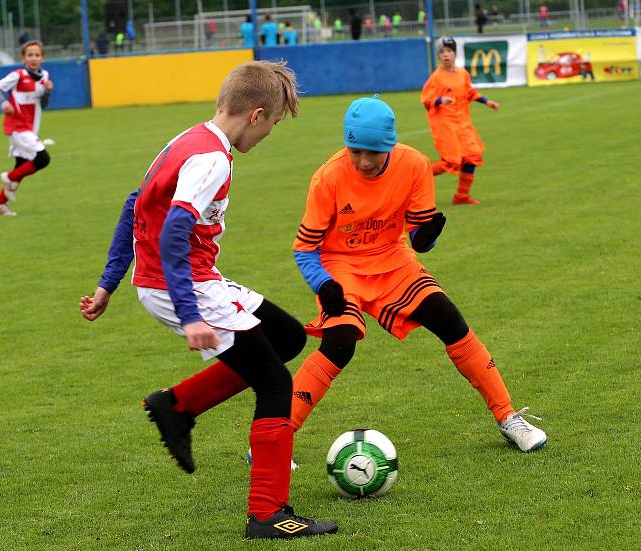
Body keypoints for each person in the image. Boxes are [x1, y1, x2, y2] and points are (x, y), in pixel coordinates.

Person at [78, 60, 338, 540]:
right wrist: (190, 312)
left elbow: (134, 204)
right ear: (257, 115)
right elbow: (174, 230)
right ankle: (268, 514)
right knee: (276, 384)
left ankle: (177, 407)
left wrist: (107, 285)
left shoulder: (188, 137)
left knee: (283, 335)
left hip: (185, 280)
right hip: (182, 286)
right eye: (275, 125)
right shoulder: (212, 159)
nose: (269, 135)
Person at [287, 95, 548, 454]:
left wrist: (425, 237)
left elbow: (417, 236)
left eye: (372, 152)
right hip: (339, 266)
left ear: (390, 146)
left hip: (392, 258)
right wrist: (323, 283)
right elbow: (304, 249)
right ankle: (275, 440)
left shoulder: (414, 166)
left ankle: (508, 417)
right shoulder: (328, 178)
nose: (363, 161)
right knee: (340, 343)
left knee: (449, 319)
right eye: (354, 150)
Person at [420, 36, 499, 205]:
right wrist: (441, 100)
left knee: (472, 157)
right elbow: (426, 99)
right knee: (451, 162)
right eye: (442, 52)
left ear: (455, 53)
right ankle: (417, 174)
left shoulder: (463, 73)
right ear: (438, 57)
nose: (446, 55)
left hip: (462, 123)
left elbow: (470, 92)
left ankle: (461, 197)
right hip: (444, 124)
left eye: (449, 51)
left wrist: (487, 101)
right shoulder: (436, 77)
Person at [0, 40, 52, 216]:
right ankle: (8, 178)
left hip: (31, 128)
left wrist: (47, 91)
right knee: (43, 159)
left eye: (37, 55)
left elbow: (44, 104)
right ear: (23, 58)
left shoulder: (45, 76)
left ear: (42, 58)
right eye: (30, 55)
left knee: (22, 166)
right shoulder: (17, 75)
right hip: (17, 126)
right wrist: (4, 103)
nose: (33, 58)